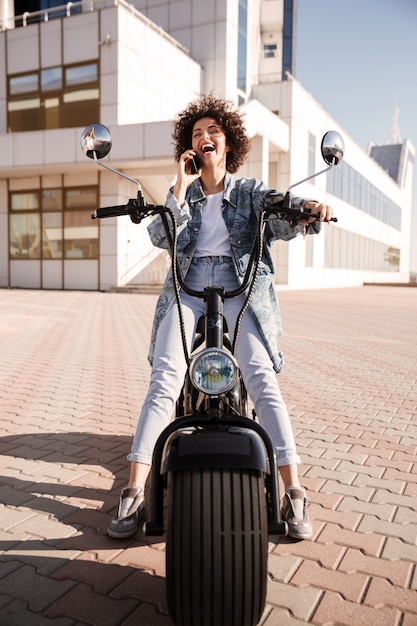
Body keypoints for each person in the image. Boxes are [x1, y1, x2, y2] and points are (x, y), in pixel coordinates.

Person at [108, 94, 333, 541]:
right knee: (165, 377)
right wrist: (177, 184)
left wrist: (307, 210)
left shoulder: (247, 193)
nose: (204, 137)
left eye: (213, 131)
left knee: (261, 376)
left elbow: (280, 207)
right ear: (189, 149)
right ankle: (134, 491)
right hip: (188, 285)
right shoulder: (184, 195)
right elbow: (160, 235)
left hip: (240, 285)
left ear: (227, 143)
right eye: (196, 134)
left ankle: (293, 490)